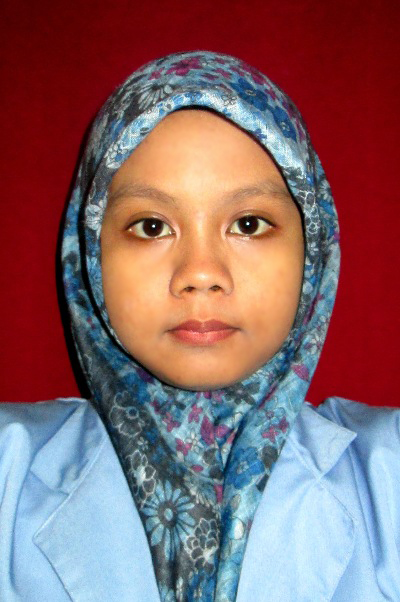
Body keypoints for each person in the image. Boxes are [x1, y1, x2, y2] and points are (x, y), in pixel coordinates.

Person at [0, 51, 399, 602]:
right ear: (90, 254)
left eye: (249, 223)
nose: (201, 273)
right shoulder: (7, 470)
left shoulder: (390, 475)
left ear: (312, 251)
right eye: (151, 226)